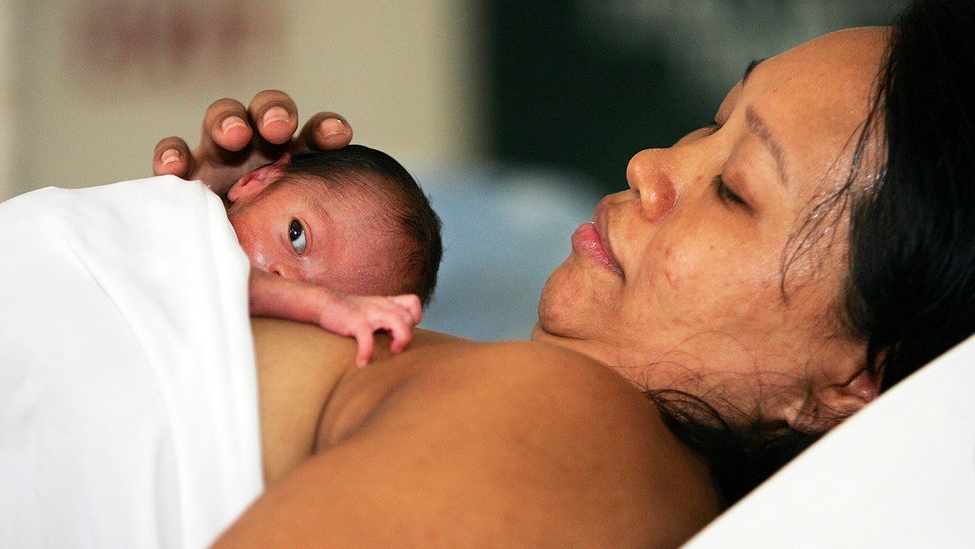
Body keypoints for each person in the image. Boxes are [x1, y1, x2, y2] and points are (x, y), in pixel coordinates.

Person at [58, 0, 975, 545]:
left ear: (856, 380)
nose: (652, 164)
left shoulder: (583, 432)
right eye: (708, 122)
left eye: (734, 190)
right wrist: (218, 257)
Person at [221, 145, 442, 366]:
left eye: (319, 293)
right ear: (257, 180)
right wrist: (324, 306)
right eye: (296, 235)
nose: (285, 281)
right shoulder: (194, 213)